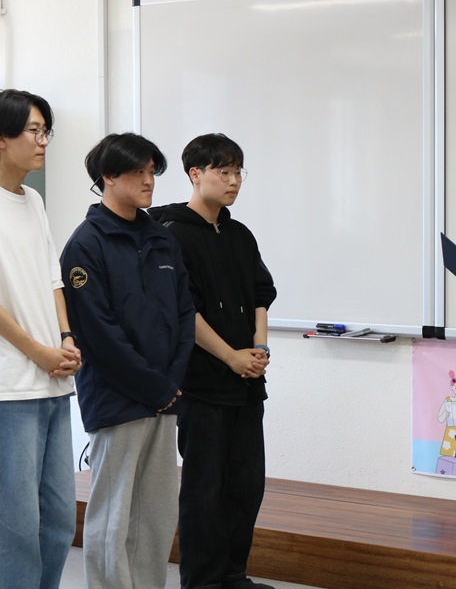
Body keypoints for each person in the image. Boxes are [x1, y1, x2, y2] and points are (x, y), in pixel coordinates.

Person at [0, 89, 80, 589]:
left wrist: (64, 337)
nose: (43, 141)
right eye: (34, 131)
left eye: (46, 131)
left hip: (53, 380)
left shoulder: (35, 201)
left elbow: (52, 279)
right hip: (8, 386)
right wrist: (38, 351)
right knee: (14, 530)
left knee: (58, 523)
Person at [61, 132, 195, 588]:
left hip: (164, 396)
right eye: (137, 171)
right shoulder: (86, 244)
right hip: (117, 398)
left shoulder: (162, 238)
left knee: (155, 514)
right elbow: (98, 334)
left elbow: (184, 314)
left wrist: (170, 383)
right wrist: (156, 387)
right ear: (109, 177)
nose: (148, 180)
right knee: (112, 515)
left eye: (152, 171)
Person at [149, 133, 277, 589]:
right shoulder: (171, 234)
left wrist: (259, 350)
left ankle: (232, 575)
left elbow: (261, 295)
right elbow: (183, 310)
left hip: (246, 381)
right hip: (202, 383)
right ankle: (202, 581)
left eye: (238, 171)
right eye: (223, 171)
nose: (234, 181)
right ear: (195, 173)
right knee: (204, 489)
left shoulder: (240, 234)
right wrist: (230, 356)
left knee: (246, 485)